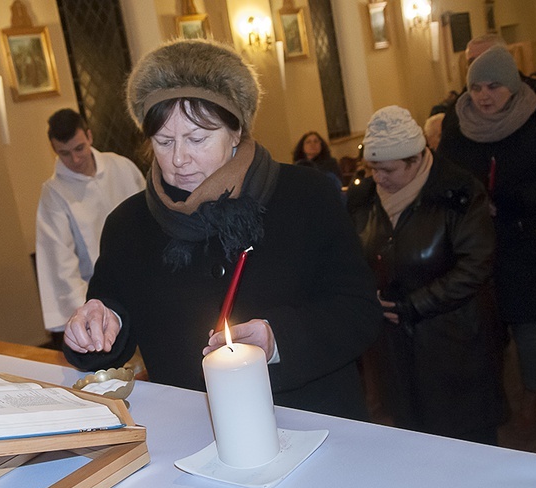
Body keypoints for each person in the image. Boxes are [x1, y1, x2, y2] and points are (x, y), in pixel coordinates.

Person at [62, 39, 382, 420]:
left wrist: (278, 339)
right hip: (195, 432)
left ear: (236, 132)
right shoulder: (127, 226)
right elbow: (111, 331)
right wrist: (96, 327)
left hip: (310, 421)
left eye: (197, 138)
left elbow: (358, 311)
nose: (178, 159)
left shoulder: (306, 197)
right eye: (163, 142)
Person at [437, 46, 536, 435]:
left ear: (512, 88)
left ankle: (531, 396)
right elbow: (443, 184)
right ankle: (493, 396)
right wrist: (469, 204)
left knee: (527, 325)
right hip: (474, 244)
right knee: (485, 326)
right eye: (477, 87)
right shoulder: (457, 127)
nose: (484, 96)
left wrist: (511, 200)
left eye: (494, 87)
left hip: (526, 240)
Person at [347, 106, 503, 445]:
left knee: (466, 439)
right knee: (414, 436)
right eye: (372, 168)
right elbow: (352, 255)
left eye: (387, 169)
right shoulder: (363, 200)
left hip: (454, 339)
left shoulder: (458, 192)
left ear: (417, 159)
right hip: (396, 344)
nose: (378, 178)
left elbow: (476, 264)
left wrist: (415, 304)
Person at [35, 109, 145, 347]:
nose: (75, 159)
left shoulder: (121, 166)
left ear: (89, 136)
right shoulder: (54, 193)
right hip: (102, 294)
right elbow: (62, 264)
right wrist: (85, 316)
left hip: (144, 279)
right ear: (54, 150)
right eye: (64, 153)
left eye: (79, 148)